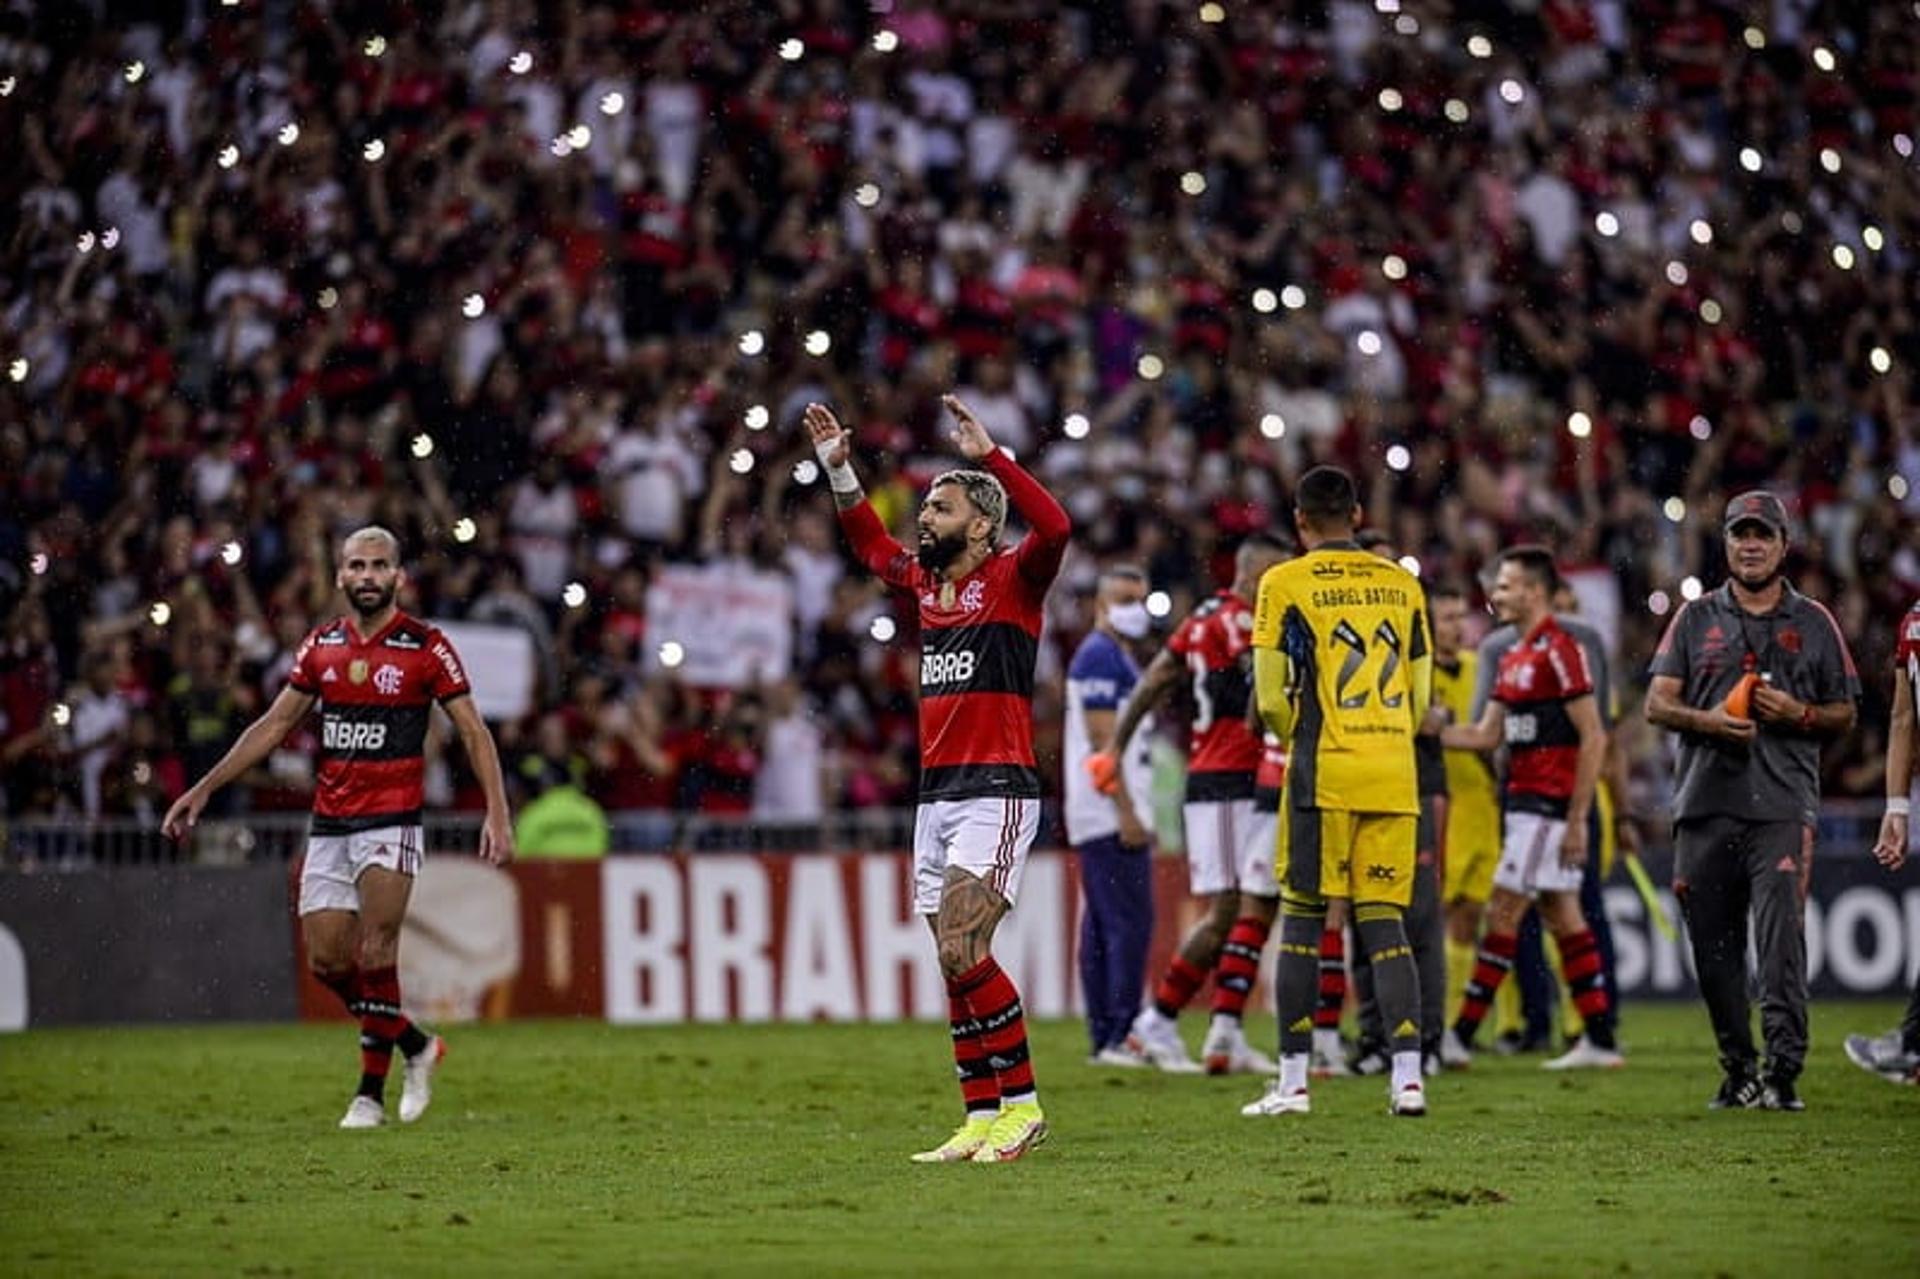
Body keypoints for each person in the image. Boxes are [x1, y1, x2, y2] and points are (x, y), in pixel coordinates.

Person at [161, 526, 515, 1129]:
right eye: (357, 566)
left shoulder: (427, 647)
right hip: (328, 824)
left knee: (377, 950)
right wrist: (204, 788)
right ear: (340, 577)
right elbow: (273, 726)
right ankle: (415, 1044)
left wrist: (497, 811)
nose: (368, 576)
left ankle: (368, 1097)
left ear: (398, 577)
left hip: (393, 818)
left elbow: (474, 732)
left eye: (380, 566)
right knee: (327, 963)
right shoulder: (321, 645)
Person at [804, 394, 1069, 1164]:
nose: (925, 517)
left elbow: (1056, 527)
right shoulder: (925, 587)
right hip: (937, 795)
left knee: (962, 946)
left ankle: (1022, 1106)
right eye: (926, 506)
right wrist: (838, 468)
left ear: (981, 524)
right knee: (952, 960)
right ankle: (980, 1114)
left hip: (997, 787)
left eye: (942, 507)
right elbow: (868, 543)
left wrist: (992, 457)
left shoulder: (1018, 579)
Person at [1644, 491, 1859, 1111]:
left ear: (1783, 545)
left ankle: (1783, 1072)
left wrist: (1801, 713)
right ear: (1727, 544)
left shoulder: (1815, 621)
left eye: (1762, 535)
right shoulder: (1694, 618)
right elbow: (1657, 704)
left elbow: (1847, 714)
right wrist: (1711, 723)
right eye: (1741, 534)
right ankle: (1738, 1070)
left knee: (1780, 940)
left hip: (1782, 807)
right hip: (1704, 805)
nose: (1751, 545)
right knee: (1713, 950)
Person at [1241, 466, 1433, 1118]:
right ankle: (1408, 1079)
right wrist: (1386, 739)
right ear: (1356, 515)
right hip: (1393, 770)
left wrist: (1301, 735)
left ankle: (1293, 1082)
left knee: (1302, 915)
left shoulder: (1284, 582)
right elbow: (1421, 691)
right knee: (1384, 922)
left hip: (1323, 769)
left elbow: (1268, 696)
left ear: (1300, 521)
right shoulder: (1402, 583)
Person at [1092, 533, 1290, 1075]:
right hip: (1224, 779)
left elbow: (1156, 680)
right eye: (1275, 575)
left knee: (1258, 905)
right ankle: (1155, 1022)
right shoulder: (1243, 625)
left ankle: (1225, 1031)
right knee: (1228, 909)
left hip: (1240, 779)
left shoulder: (1201, 619)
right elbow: (1252, 707)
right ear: (1251, 576)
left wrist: (1117, 744)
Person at [1439, 546, 1620, 1071]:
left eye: (1506, 586)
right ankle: (1601, 1039)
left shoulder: (1560, 650)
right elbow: (1484, 735)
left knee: (1502, 912)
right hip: (1522, 807)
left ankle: (1461, 1034)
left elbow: (1593, 737)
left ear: (1534, 592)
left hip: (1545, 809)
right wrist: (1423, 733)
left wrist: (1576, 819)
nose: (1496, 595)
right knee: (1564, 918)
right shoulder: (1515, 656)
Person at [1062, 565, 1157, 1066]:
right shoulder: (1101, 657)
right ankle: (1120, 1032)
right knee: (1128, 924)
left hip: (1098, 809)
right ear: (1101, 602)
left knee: (1103, 926)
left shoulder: (1112, 656)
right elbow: (1104, 743)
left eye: (1140, 599)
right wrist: (1127, 811)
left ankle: (1107, 1033)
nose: (1134, 608)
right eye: (1124, 597)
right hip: (1108, 810)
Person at [1429, 584, 1520, 1049]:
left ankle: (1506, 1025)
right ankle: (1447, 1024)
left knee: (1493, 915)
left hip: (1483, 804)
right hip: (1445, 806)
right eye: (1446, 617)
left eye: (1459, 616)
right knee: (1452, 916)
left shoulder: (1476, 668)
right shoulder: (1419, 674)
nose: (1457, 626)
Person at [1846, 598, 1920, 1085]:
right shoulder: (1913, 624)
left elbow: (1902, 720)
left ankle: (1912, 1046)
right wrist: (1895, 806)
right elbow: (1901, 717)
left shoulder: (1915, 622)